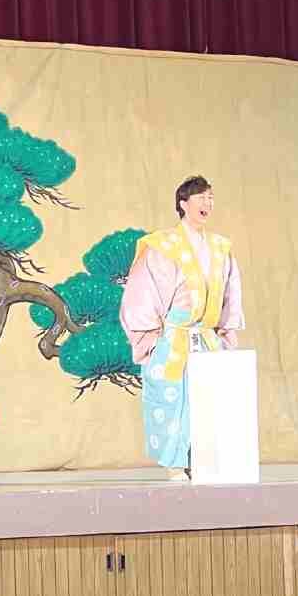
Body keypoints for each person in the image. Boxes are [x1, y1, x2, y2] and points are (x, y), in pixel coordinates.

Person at [119, 176, 244, 478]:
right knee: (172, 399)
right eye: (200, 197)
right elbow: (142, 292)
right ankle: (175, 465)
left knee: (209, 403)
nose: (207, 203)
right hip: (174, 337)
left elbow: (231, 292)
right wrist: (151, 336)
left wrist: (226, 332)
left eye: (210, 197)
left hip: (207, 337)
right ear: (183, 204)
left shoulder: (220, 247)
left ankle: (205, 462)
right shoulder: (162, 246)